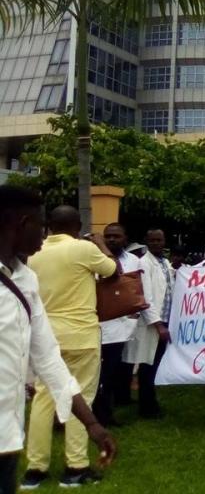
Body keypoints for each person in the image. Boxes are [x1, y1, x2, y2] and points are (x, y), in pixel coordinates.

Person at [0, 186, 116, 493]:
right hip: (80, 335)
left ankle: (36, 466)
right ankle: (73, 466)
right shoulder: (84, 249)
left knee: (43, 398)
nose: (45, 232)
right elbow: (112, 270)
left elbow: (49, 360)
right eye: (40, 224)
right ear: (19, 222)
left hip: (7, 442)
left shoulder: (26, 279)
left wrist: (93, 425)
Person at [93, 223, 142, 427]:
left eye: (116, 236)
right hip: (100, 324)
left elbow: (137, 289)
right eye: (108, 236)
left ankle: (107, 413)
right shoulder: (96, 258)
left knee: (114, 373)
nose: (112, 240)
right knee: (99, 374)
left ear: (125, 238)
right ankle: (98, 415)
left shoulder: (134, 260)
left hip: (124, 325)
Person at [123, 229, 172, 419]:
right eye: (152, 240)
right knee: (147, 366)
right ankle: (147, 407)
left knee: (155, 364)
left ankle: (151, 403)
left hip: (165, 320)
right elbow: (146, 297)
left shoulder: (165, 263)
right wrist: (158, 325)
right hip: (153, 324)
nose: (156, 243)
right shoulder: (143, 263)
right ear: (146, 242)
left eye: (159, 240)